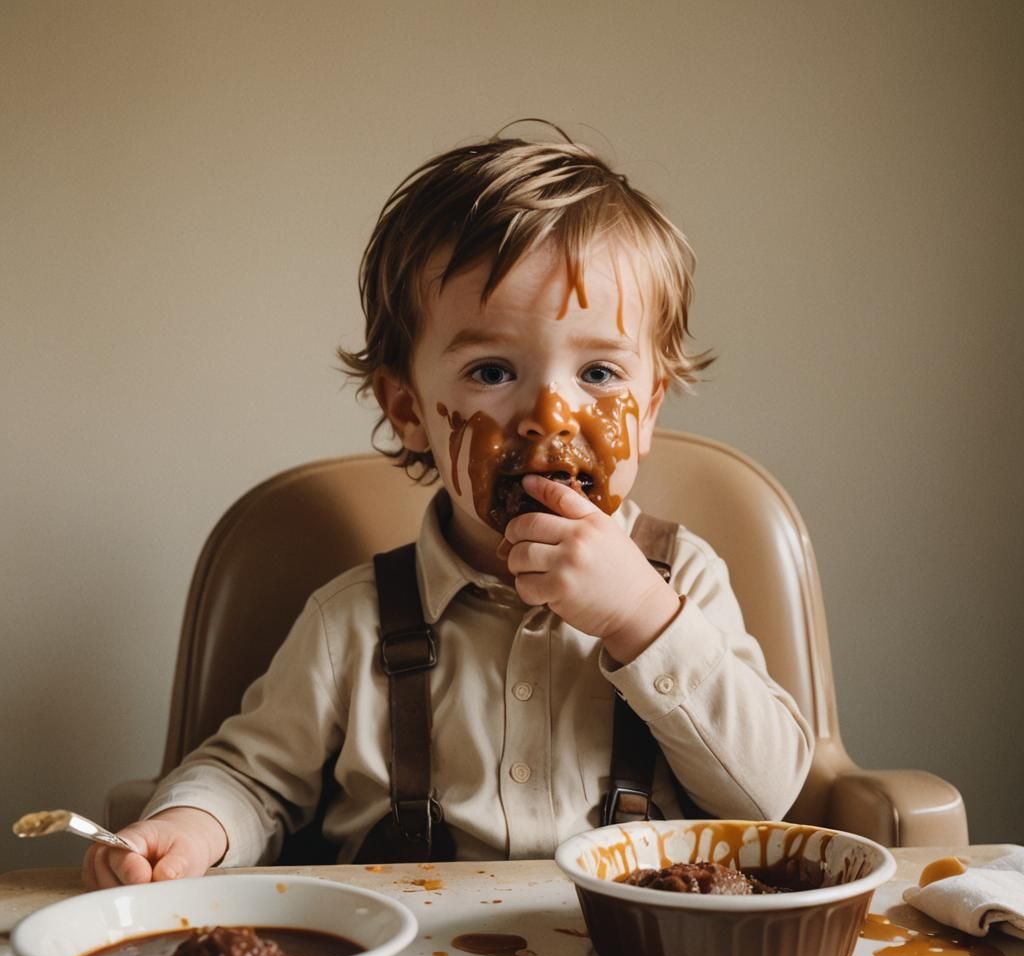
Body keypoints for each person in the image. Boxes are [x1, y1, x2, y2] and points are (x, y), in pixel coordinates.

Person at [84, 126, 814, 888]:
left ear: (652, 409)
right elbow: (250, 780)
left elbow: (769, 797)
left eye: (599, 371)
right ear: (407, 409)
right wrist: (189, 828)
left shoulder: (682, 582)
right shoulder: (352, 623)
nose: (552, 416)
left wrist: (642, 620)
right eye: (493, 370)